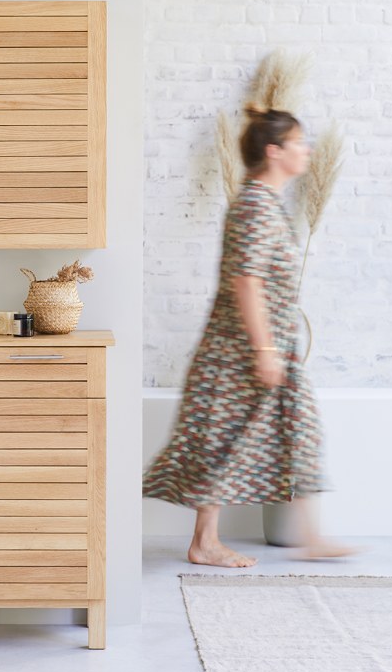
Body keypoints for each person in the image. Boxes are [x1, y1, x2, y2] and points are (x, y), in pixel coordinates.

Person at [143, 104, 354, 567]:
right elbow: (246, 280)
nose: (307, 150)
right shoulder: (255, 205)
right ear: (275, 151)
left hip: (267, 351)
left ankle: (309, 536)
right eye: (299, 142)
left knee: (297, 432)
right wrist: (264, 351)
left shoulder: (265, 203)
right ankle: (205, 543)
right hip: (240, 354)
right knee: (219, 441)